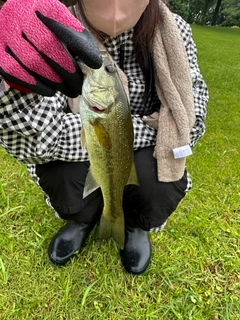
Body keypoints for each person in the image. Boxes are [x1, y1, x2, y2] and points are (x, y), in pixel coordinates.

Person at [0, 0, 208, 275]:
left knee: (160, 176)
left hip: (117, 146)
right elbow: (39, 140)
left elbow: (189, 124)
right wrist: (14, 82)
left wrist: (116, 134)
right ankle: (82, 219)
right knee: (60, 173)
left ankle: (133, 224)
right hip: (96, 148)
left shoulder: (174, 30)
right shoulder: (52, 28)